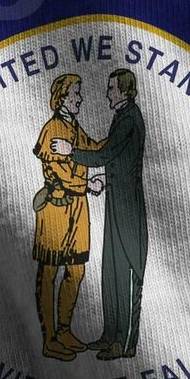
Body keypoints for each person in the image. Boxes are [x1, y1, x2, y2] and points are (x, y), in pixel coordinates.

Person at [51, 68, 146, 360]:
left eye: (112, 89)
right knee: (111, 271)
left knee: (127, 272)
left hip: (128, 208)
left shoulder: (130, 118)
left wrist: (71, 151)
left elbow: (105, 155)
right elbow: (119, 158)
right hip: (116, 201)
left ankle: (125, 344)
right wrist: (105, 179)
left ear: (125, 91)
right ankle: (110, 336)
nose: (107, 94)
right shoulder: (122, 116)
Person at [31, 73, 104, 361]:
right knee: (49, 272)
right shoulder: (52, 130)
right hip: (56, 209)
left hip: (78, 209)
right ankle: (49, 339)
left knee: (76, 270)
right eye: (75, 94)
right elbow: (60, 173)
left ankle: (64, 330)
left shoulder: (74, 128)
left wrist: (119, 139)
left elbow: (92, 149)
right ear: (61, 98)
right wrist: (87, 185)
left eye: (79, 94)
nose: (80, 99)